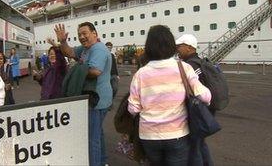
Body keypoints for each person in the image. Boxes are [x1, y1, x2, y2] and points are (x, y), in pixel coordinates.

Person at [128, 25, 211, 166]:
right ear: (171, 45)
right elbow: (206, 96)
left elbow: (133, 109)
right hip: (177, 135)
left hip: (148, 136)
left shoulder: (140, 74)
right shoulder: (183, 68)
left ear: (149, 47)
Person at [54, 22, 112, 166]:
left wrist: (76, 68)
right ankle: (102, 161)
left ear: (94, 33)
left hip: (96, 100)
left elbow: (95, 71)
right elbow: (70, 52)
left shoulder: (98, 49)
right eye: (79, 34)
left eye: (85, 33)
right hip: (94, 98)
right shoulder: (86, 49)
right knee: (97, 133)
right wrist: (62, 41)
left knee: (92, 138)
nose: (81, 37)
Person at [176, 34, 215, 166]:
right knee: (199, 141)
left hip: (197, 109)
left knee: (194, 145)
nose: (177, 49)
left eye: (179, 46)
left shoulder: (190, 66)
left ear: (188, 47)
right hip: (205, 108)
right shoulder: (200, 61)